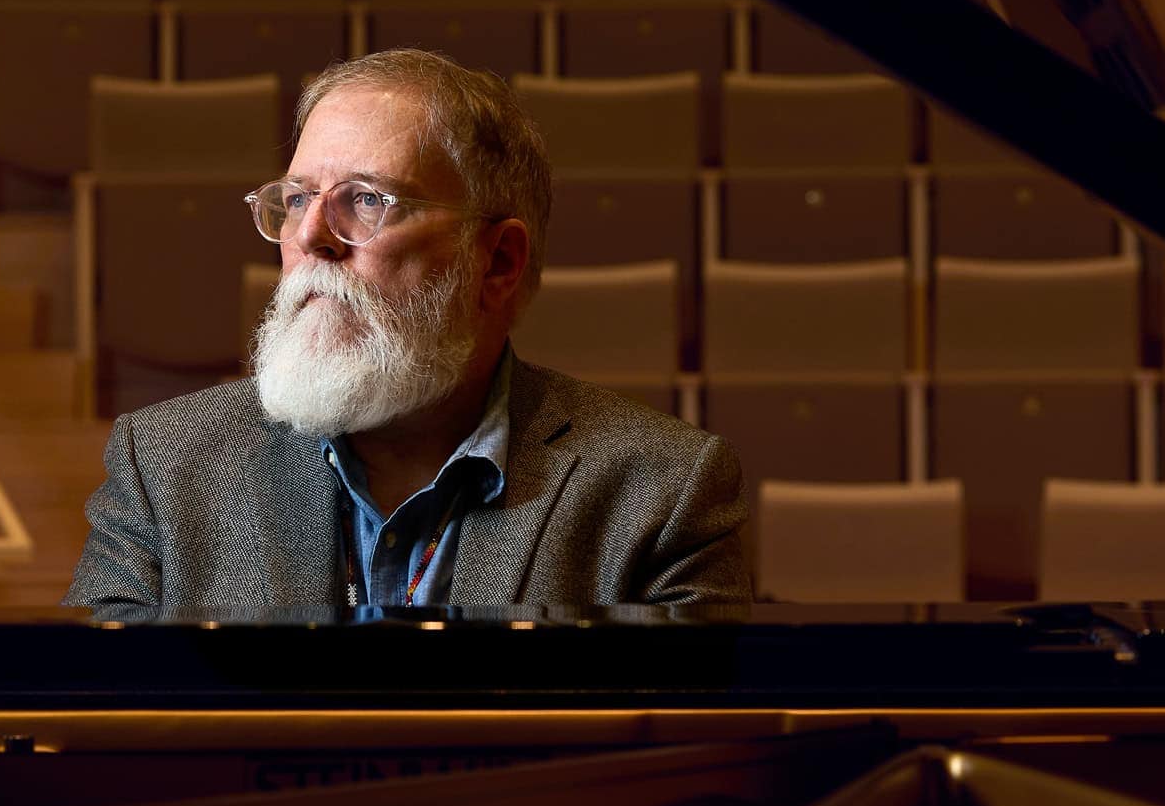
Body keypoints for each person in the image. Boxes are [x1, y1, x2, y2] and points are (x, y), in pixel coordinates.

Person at [65, 50, 748, 619]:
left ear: (499, 261)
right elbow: (90, 741)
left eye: (366, 200)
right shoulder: (163, 465)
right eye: (299, 198)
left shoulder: (661, 491)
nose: (309, 238)